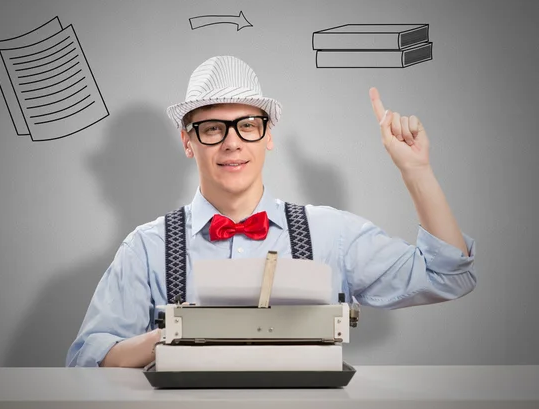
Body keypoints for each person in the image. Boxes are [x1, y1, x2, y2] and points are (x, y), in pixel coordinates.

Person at [65, 55, 476, 368]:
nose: (232, 143)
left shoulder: (329, 233)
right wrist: (168, 337)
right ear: (188, 142)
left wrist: (417, 171)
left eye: (247, 125)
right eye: (212, 128)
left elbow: (448, 276)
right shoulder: (147, 247)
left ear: (267, 137)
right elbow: (86, 357)